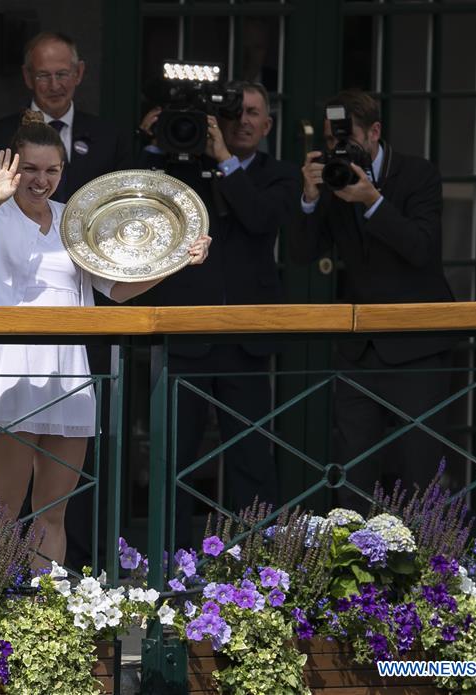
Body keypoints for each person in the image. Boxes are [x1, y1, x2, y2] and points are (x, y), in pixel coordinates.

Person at [0, 112, 211, 566]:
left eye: (51, 170)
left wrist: (178, 258)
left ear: (63, 171)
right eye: (30, 169)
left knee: (52, 511)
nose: (40, 180)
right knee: (4, 509)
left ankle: (45, 616)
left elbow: (117, 289)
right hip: (14, 363)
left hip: (70, 369)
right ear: (12, 169)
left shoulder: (75, 220)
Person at [136, 81, 301, 547]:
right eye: (236, 112)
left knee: (251, 455)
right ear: (218, 120)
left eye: (253, 113)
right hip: (186, 330)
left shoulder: (279, 174)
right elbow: (136, 201)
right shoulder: (180, 164)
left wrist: (225, 161)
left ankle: (258, 559)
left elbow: (259, 218)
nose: (244, 120)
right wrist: (152, 140)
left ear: (267, 125)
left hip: (246, 338)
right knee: (174, 454)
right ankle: (164, 560)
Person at [289, 89, 455, 508]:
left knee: (421, 465)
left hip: (417, 347)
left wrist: (373, 201)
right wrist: (309, 199)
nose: (337, 149)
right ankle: (353, 564)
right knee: (353, 467)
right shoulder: (333, 179)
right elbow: (302, 255)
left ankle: (433, 564)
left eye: (346, 139)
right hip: (359, 349)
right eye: (330, 141)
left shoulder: (418, 175)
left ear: (375, 132)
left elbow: (421, 248)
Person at [0, 31, 130, 203]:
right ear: (28, 77)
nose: (54, 86)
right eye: (43, 75)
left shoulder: (110, 138)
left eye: (62, 74)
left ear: (78, 72)